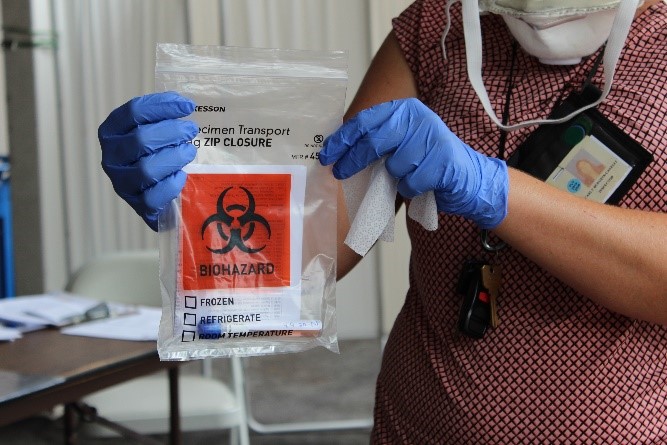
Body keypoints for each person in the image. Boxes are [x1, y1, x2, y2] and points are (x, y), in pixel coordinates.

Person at [98, 0, 667, 442]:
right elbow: (319, 247)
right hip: (415, 424)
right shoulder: (436, 29)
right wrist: (193, 202)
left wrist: (493, 189)